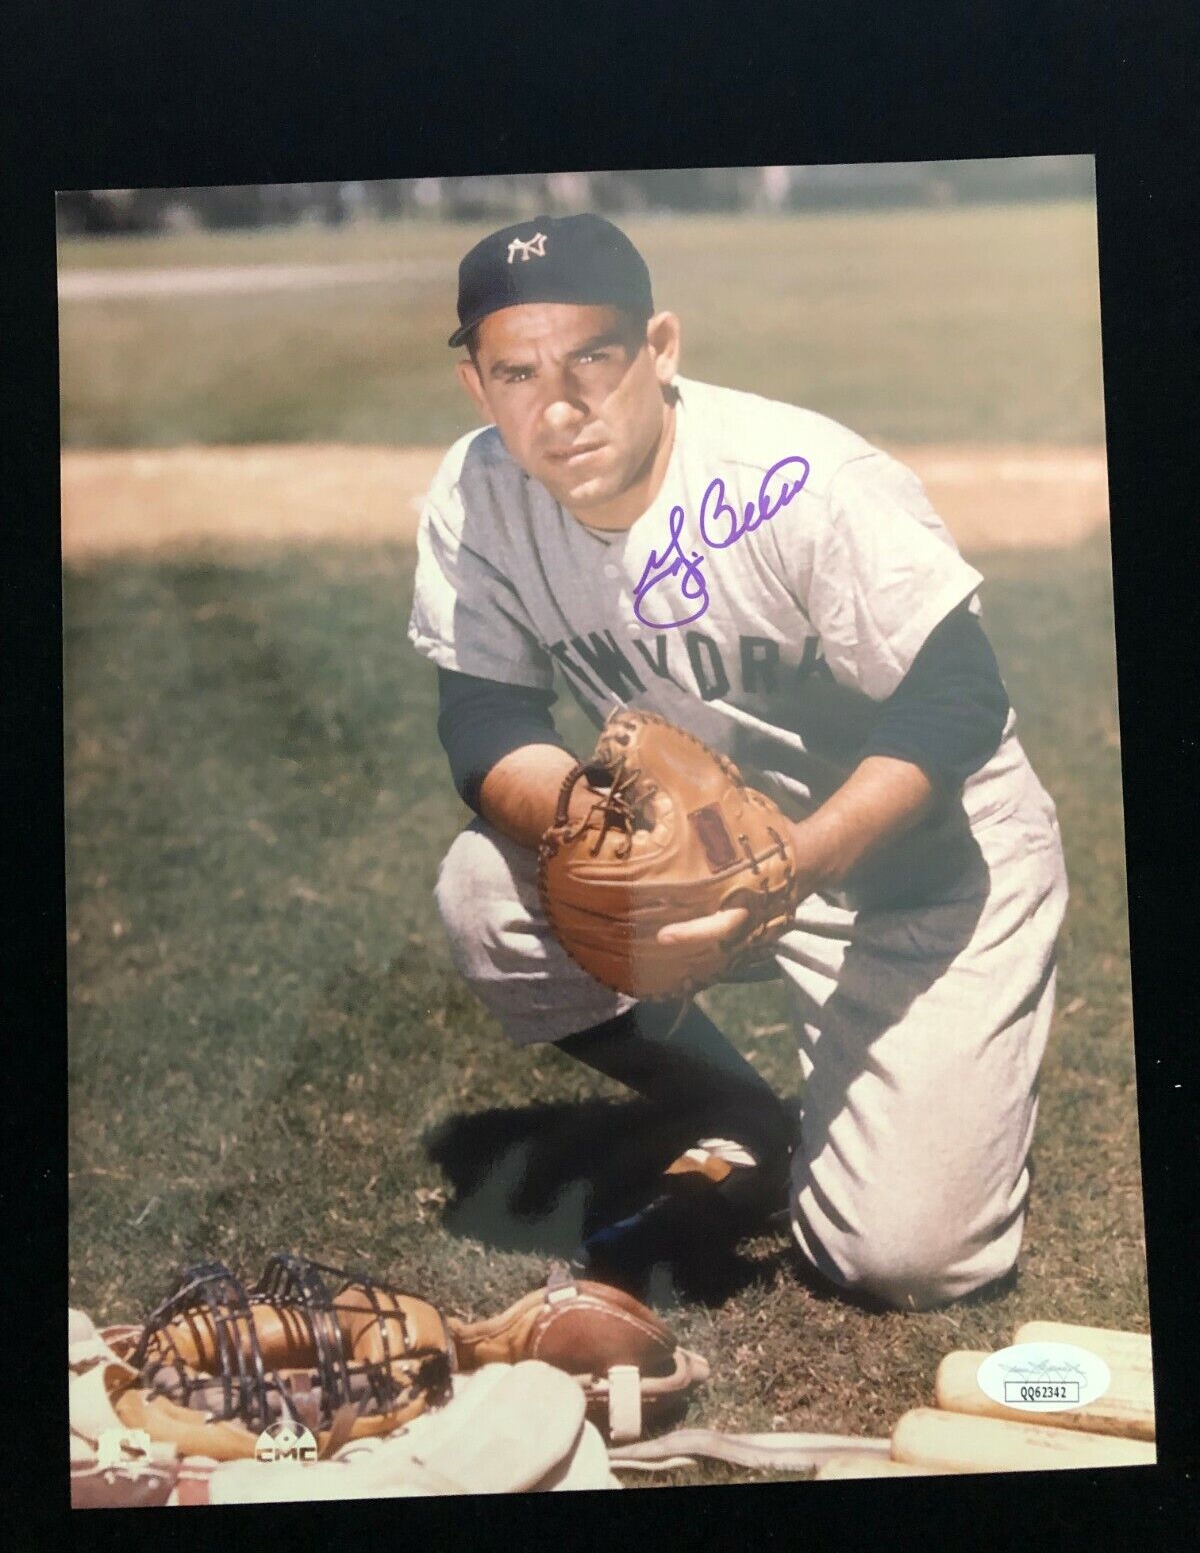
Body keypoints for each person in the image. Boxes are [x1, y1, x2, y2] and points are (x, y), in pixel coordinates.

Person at [408, 212, 1068, 1311]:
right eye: (518, 372)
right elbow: (482, 715)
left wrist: (795, 865)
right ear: (479, 386)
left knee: (902, 1262)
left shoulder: (798, 478)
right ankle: (731, 1108)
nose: (559, 403)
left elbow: (959, 697)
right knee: (489, 888)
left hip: (921, 873)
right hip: (706, 850)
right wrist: (596, 822)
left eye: (594, 359)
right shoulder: (478, 489)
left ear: (660, 349)